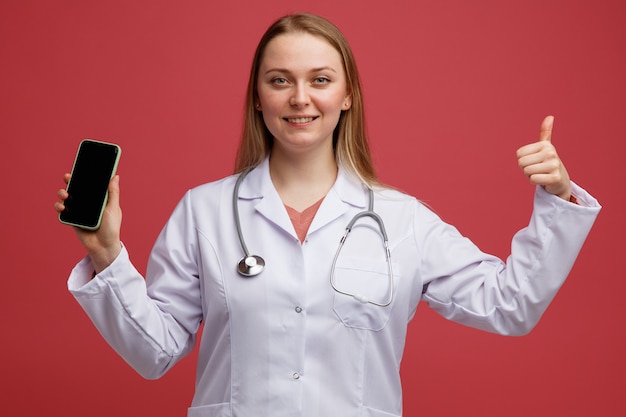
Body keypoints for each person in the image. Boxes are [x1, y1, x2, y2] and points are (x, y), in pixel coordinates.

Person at [55, 12, 600, 417]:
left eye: (320, 80)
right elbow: (156, 352)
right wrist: (106, 254)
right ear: (258, 98)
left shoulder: (402, 220)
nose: (300, 98)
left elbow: (510, 306)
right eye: (279, 80)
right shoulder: (204, 211)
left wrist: (557, 196)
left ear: (346, 97)